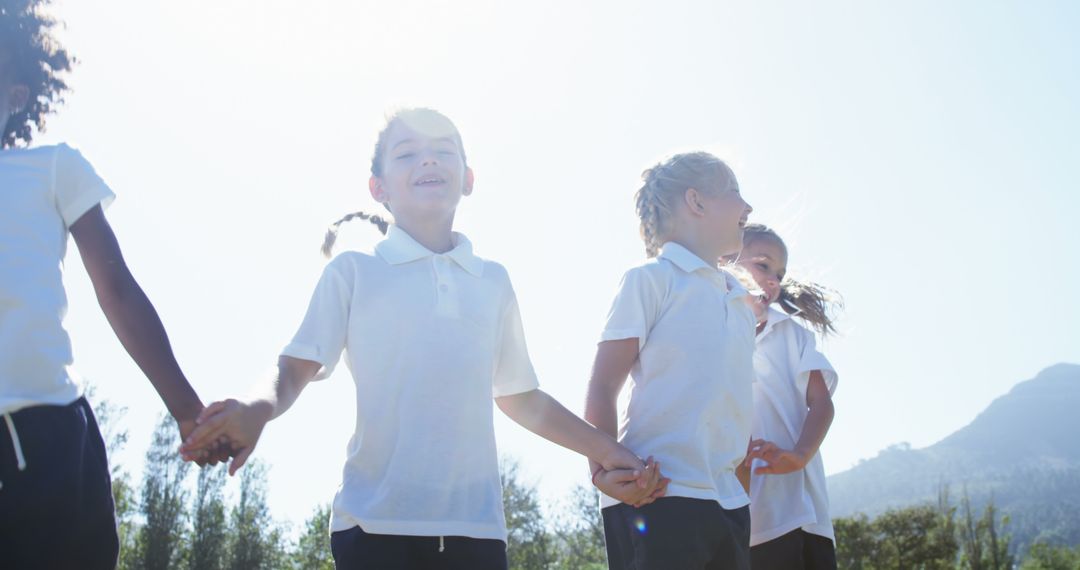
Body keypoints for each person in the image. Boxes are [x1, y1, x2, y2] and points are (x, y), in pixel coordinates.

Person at [181, 108, 661, 570]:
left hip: (477, 533)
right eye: (407, 153)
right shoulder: (354, 272)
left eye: (443, 150)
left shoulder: (492, 281)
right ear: (378, 187)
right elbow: (293, 368)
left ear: (469, 179)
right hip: (372, 528)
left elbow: (522, 398)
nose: (428, 160)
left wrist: (608, 452)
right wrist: (254, 409)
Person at [0, 2, 219, 567]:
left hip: (48, 439)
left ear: (16, 97)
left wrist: (187, 409)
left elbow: (116, 289)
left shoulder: (52, 169)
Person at [585, 151, 759, 569]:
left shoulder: (739, 302)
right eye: (734, 191)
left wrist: (738, 487)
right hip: (658, 493)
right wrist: (604, 475)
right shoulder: (650, 280)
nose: (747, 207)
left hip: (729, 503)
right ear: (696, 202)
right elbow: (603, 387)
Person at [732, 223, 841, 570]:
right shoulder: (711, 335)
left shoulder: (791, 334)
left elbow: (822, 403)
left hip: (804, 513)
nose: (773, 281)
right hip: (747, 519)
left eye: (779, 273)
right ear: (724, 259)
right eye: (763, 265)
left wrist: (799, 455)